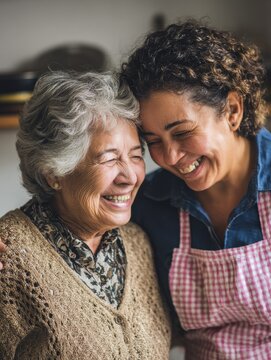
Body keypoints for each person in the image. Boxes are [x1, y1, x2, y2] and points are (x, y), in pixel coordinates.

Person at [120, 20, 271, 359]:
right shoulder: (149, 202)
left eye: (183, 132)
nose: (170, 157)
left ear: (232, 111)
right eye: (154, 141)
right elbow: (76, 233)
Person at [0, 71, 171, 359]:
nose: (130, 176)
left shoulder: (138, 243)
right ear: (53, 172)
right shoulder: (10, 255)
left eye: (135, 155)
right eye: (109, 158)